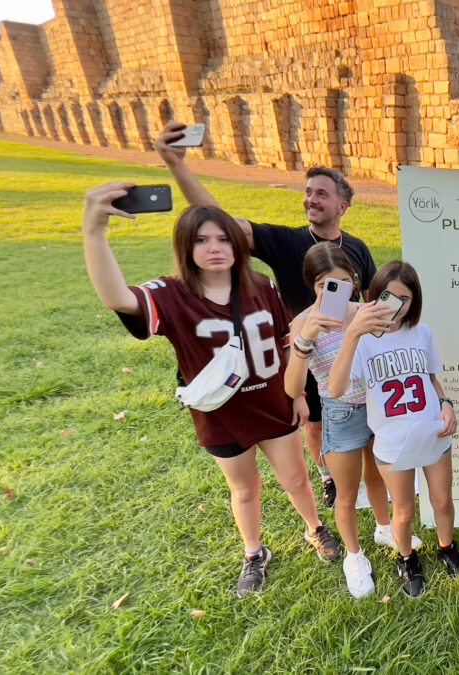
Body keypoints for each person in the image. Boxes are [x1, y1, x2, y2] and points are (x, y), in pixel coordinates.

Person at [81, 182, 340, 598]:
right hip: (220, 413)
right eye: (201, 240)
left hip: (274, 404)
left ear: (238, 245)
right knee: (244, 488)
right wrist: (94, 230)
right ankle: (254, 552)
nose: (214, 247)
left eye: (223, 238)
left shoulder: (262, 285)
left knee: (296, 478)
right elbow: (117, 297)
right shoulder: (171, 294)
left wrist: (297, 396)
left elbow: (284, 343)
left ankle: (315, 527)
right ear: (186, 246)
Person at [155, 120, 378, 509]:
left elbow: (372, 293)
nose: (311, 199)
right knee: (314, 421)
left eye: (322, 194)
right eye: (308, 192)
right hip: (302, 349)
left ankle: (356, 472)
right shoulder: (287, 240)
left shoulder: (356, 247)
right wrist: (178, 167)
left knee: (352, 413)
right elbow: (220, 223)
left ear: (342, 205)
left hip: (348, 350)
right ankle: (327, 475)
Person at [284, 243, 421, 598]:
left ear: (356, 280)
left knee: (377, 478)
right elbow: (293, 386)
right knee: (347, 493)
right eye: (325, 285)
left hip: (379, 406)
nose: (336, 292)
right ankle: (354, 556)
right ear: (311, 286)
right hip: (340, 412)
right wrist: (305, 339)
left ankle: (384, 526)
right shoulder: (304, 324)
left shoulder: (366, 310)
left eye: (344, 282)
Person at [328, 261, 459, 597]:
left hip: (432, 431)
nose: (395, 305)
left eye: (404, 298)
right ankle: (406, 558)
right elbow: (335, 388)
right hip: (392, 441)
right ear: (373, 297)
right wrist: (352, 333)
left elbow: (431, 379)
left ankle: (446, 546)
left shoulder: (422, 333)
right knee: (404, 510)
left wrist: (447, 402)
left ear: (414, 301)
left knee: (442, 501)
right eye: (387, 296)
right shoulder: (362, 341)